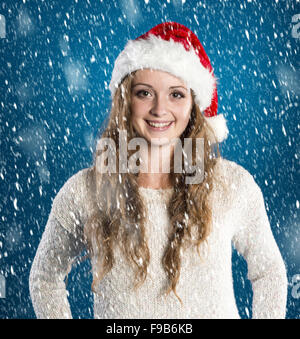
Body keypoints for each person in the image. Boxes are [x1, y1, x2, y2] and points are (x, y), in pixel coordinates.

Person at [29, 22, 287, 319]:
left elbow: (269, 272)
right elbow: (44, 277)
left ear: (193, 105)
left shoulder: (231, 184)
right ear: (126, 100)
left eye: (176, 94)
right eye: (145, 93)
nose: (159, 110)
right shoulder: (86, 190)